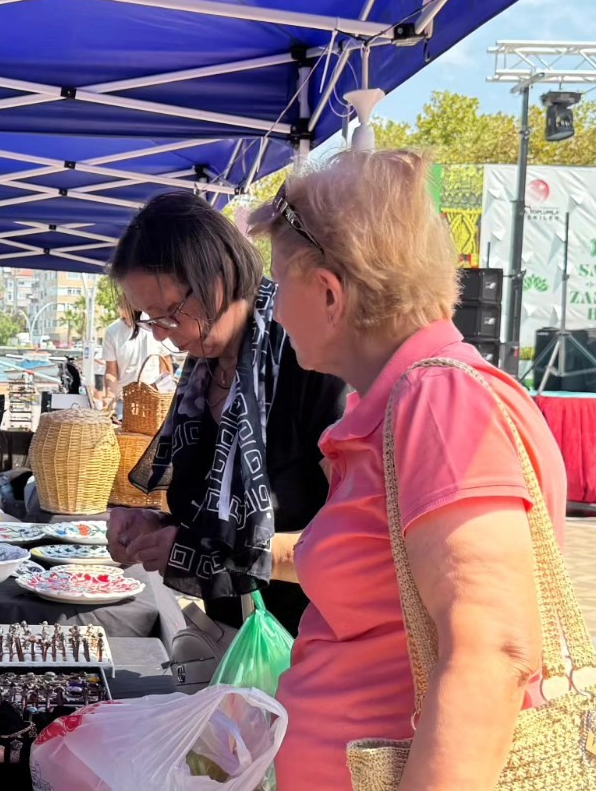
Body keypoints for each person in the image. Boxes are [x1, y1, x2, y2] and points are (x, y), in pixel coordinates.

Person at [243, 150, 569, 789]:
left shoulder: (442, 404)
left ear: (330, 293)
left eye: (279, 282)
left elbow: (493, 651)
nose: (274, 311)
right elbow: (374, 570)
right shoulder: (406, 404)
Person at [104, 192, 347, 635]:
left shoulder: (307, 358)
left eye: (169, 314)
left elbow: (355, 546)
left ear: (219, 278)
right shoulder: (204, 373)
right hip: (233, 635)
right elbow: (214, 513)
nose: (161, 335)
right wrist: (157, 526)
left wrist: (210, 550)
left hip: (312, 640)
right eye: (150, 319)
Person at [100, 304, 176, 413]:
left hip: (153, 399)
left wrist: (167, 395)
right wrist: (109, 397)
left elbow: (166, 365)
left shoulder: (155, 326)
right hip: (123, 400)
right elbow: (111, 371)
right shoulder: (112, 331)